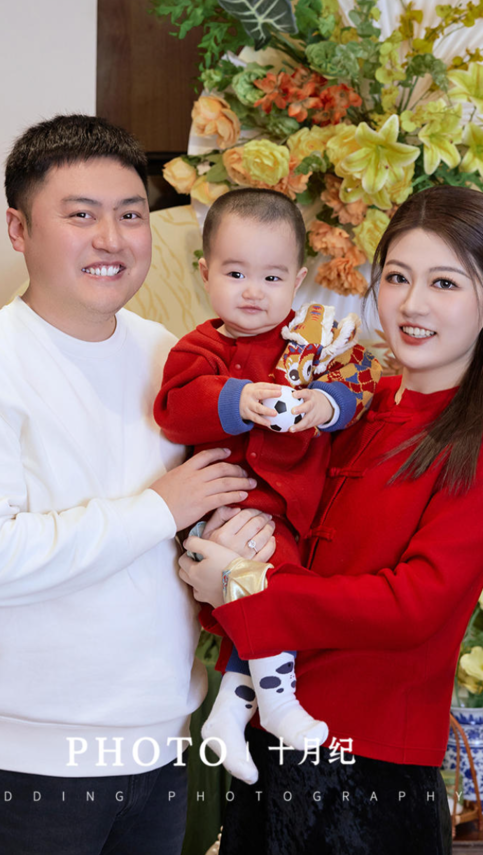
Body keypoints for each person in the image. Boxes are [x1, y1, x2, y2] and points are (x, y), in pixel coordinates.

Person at [0, 114, 263, 855]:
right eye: (81, 214)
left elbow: (203, 511)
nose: (112, 237)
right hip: (18, 763)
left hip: (154, 747)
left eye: (130, 214)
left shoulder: (170, 357)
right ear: (18, 229)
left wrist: (231, 535)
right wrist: (159, 507)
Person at [179, 184, 483, 855]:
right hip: (268, 746)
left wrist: (242, 585)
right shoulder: (347, 409)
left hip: (371, 771)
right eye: (397, 276)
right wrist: (211, 542)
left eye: (445, 284)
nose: (412, 303)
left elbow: (414, 606)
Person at [152, 187, 381, 783]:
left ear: (298, 280)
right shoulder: (200, 347)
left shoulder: (313, 343)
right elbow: (174, 409)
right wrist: (239, 399)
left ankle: (228, 716)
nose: (253, 291)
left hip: (290, 515)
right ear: (205, 272)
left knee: (264, 603)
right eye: (235, 273)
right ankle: (277, 704)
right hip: (229, 511)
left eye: (272, 277)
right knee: (266, 593)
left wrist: (324, 405)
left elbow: (357, 383)